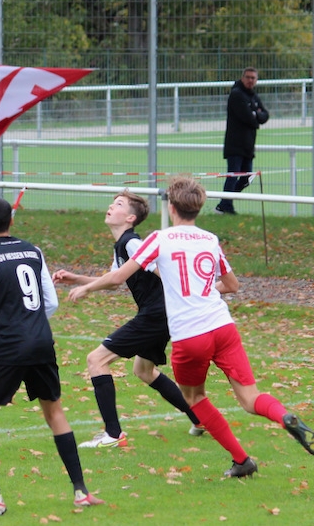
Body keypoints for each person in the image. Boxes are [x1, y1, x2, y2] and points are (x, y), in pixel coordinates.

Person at [69, 176, 314, 478]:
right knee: (251, 399)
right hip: (224, 327)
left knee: (196, 399)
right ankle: (283, 416)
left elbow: (117, 277)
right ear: (199, 207)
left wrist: (85, 288)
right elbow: (232, 285)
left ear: (172, 208)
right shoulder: (209, 240)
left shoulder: (158, 239)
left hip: (191, 335)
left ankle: (242, 459)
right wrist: (200, 291)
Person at [0, 197, 103, 515]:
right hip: (42, 341)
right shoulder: (34, 251)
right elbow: (51, 302)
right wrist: (32, 324)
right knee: (54, 412)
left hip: (11, 344)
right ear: (11, 221)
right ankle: (81, 491)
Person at [53, 190, 204, 448]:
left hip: (156, 314)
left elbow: (160, 272)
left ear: (130, 218)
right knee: (143, 370)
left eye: (119, 204)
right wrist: (78, 279)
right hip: (160, 314)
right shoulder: (123, 245)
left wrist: (87, 289)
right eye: (112, 203)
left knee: (96, 360)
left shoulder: (133, 243)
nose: (111, 206)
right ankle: (199, 419)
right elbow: (114, 280)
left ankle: (113, 435)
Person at [217, 66, 269, 215]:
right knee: (233, 176)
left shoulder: (253, 96)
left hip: (248, 145)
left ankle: (224, 203)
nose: (250, 80)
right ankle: (226, 205)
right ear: (242, 78)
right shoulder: (236, 94)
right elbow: (248, 118)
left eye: (253, 78)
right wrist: (256, 116)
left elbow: (265, 115)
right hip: (235, 145)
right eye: (248, 77)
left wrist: (256, 115)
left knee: (247, 178)